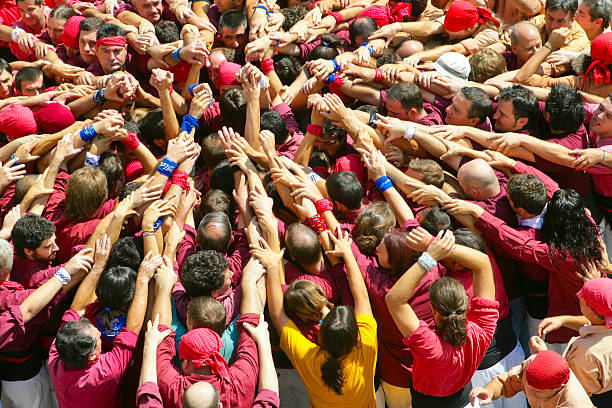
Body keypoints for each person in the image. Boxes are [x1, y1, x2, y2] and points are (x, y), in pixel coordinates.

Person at [386, 228, 498, 407]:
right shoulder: (481, 330)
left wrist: (431, 254)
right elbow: (483, 262)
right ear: (467, 305)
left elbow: (393, 299)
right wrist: (434, 247)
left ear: (434, 311)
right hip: (465, 401)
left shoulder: (430, 346)